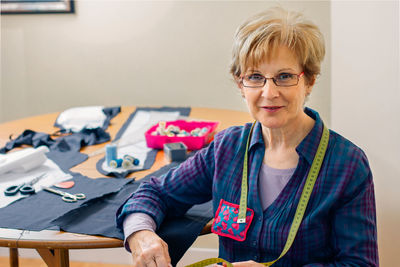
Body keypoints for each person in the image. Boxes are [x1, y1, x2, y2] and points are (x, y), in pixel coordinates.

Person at [116, 6, 378, 267]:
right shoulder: (226, 149)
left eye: (284, 76)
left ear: (309, 80)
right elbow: (155, 193)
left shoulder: (347, 165)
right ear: (240, 84)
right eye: (254, 77)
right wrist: (141, 234)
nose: (269, 92)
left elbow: (360, 264)